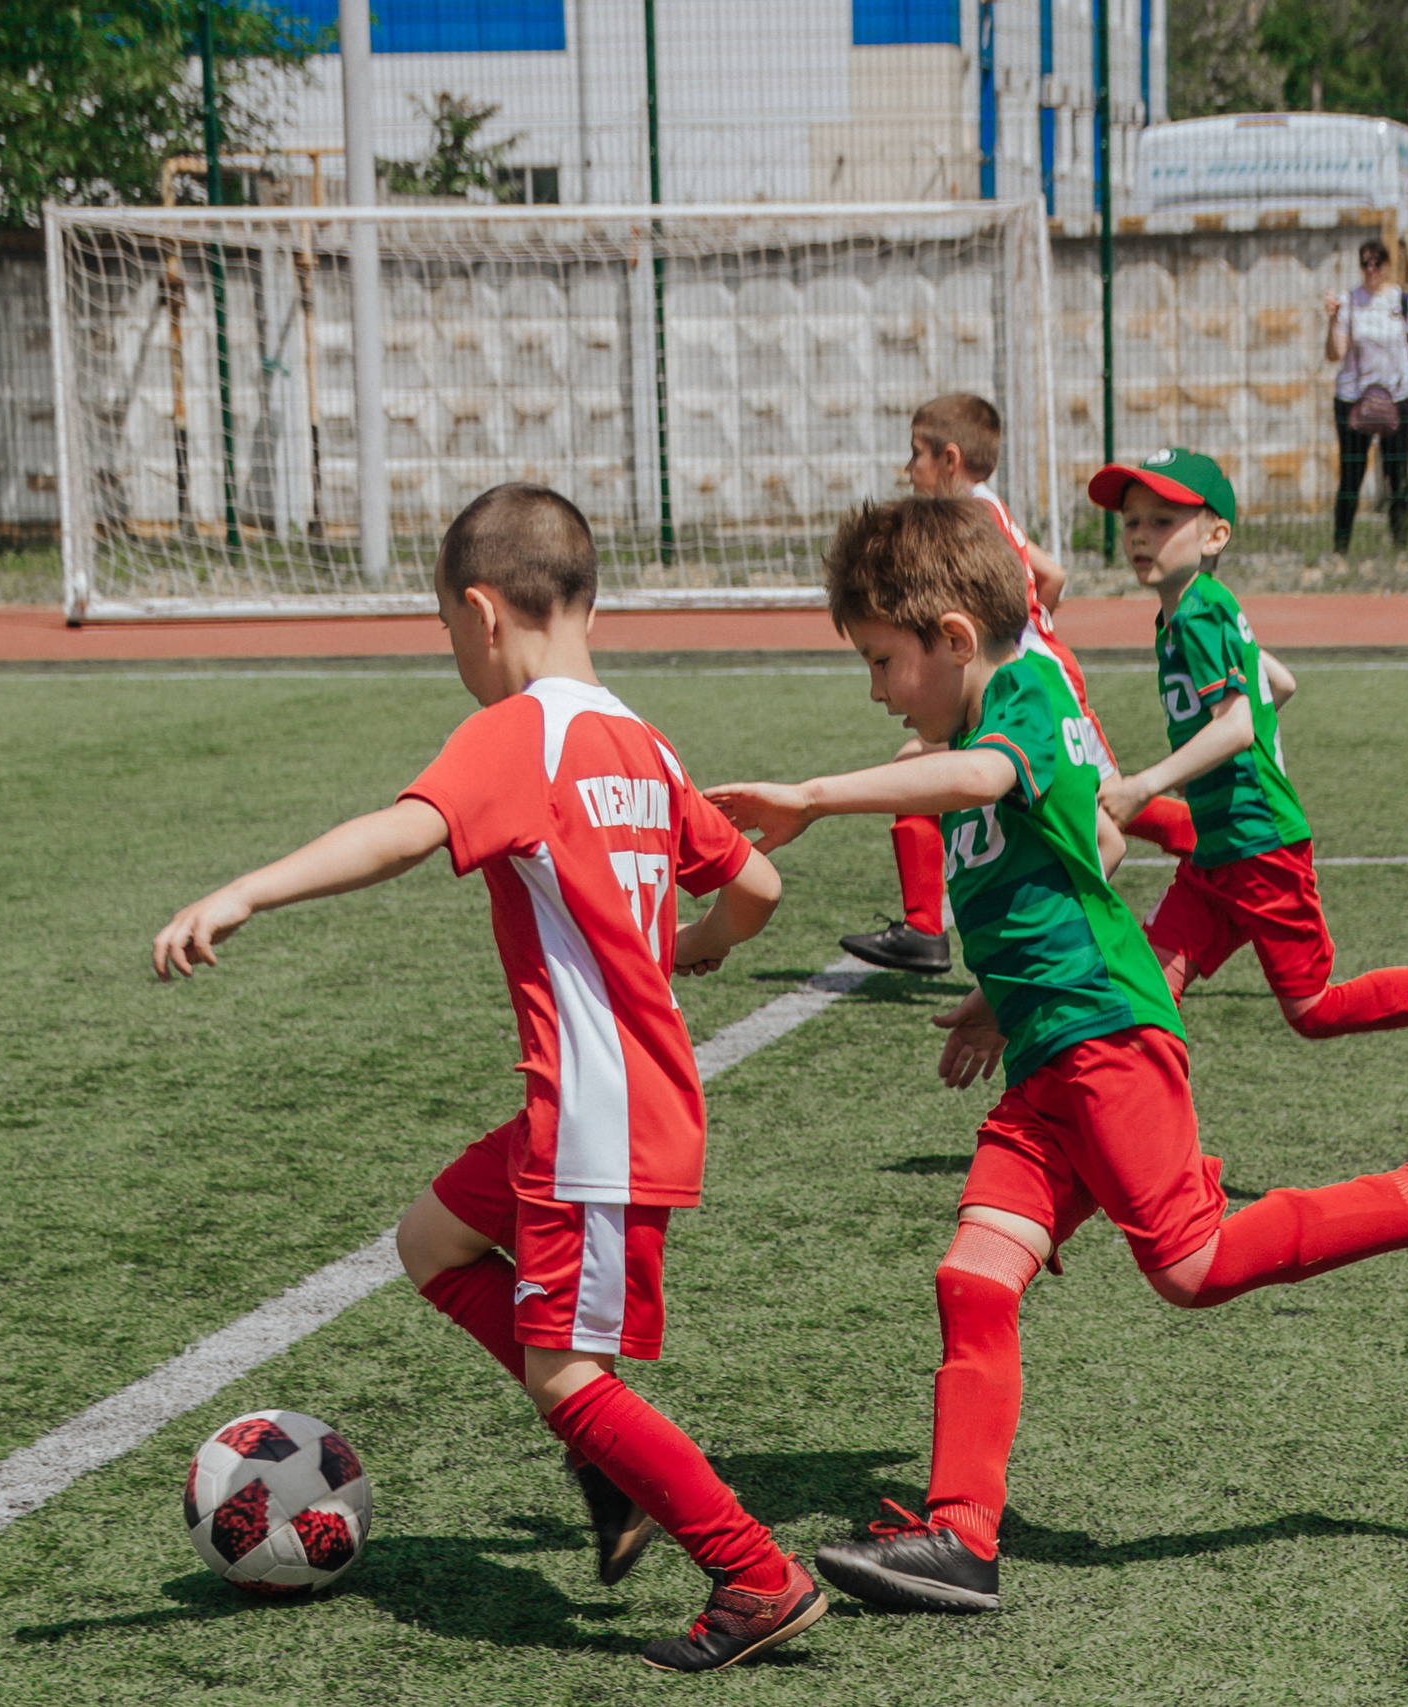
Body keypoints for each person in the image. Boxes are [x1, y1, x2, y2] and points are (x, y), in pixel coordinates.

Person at [703, 495, 1408, 1612]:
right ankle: (960, 1537)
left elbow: (992, 783)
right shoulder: (974, 724)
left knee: (1192, 1269)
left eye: (879, 660)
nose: (874, 689)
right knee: (973, 1278)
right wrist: (999, 1000)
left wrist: (812, 796)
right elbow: (1075, 852)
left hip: (1107, 1038)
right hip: (1051, 1049)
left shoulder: (1026, 694)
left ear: (954, 639)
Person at [148, 485, 825, 1671]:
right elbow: (757, 886)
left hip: (598, 1114)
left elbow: (407, 830)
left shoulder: (522, 731)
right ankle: (595, 1452)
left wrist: (246, 889)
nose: (454, 656)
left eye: (445, 633)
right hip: (593, 1105)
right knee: (431, 1243)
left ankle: (752, 1573)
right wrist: (696, 946)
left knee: (569, 1372)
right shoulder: (643, 744)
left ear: (479, 612)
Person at [1085, 448, 1408, 1043]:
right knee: (1146, 994)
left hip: (1260, 849)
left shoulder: (1198, 614)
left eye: (1163, 521)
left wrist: (1145, 783)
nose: (1140, 535)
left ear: (1216, 535)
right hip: (1220, 852)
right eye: (1132, 521)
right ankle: (1129, 1130)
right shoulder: (1190, 612)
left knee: (1314, 1011)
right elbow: (1278, 684)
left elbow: (1236, 726)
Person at [843, 393, 1197, 976]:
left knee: (1102, 805)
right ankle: (924, 929)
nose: (910, 470)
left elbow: (1042, 581)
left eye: (915, 455)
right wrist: (1029, 623)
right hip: (1028, 666)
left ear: (950, 459)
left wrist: (1017, 637)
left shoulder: (969, 518)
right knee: (928, 769)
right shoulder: (989, 508)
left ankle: (1218, 848)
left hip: (1034, 678)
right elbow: (1052, 573)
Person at [1322, 239, 1408, 555]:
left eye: (1377, 263)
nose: (1371, 270)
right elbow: (1334, 353)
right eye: (1366, 263)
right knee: (1351, 475)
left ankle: (1401, 548)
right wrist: (1331, 318)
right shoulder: (1349, 302)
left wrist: (1407, 382)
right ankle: (1340, 550)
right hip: (1355, 400)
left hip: (1398, 398)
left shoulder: (1404, 302)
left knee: (1398, 476)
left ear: (1387, 265)